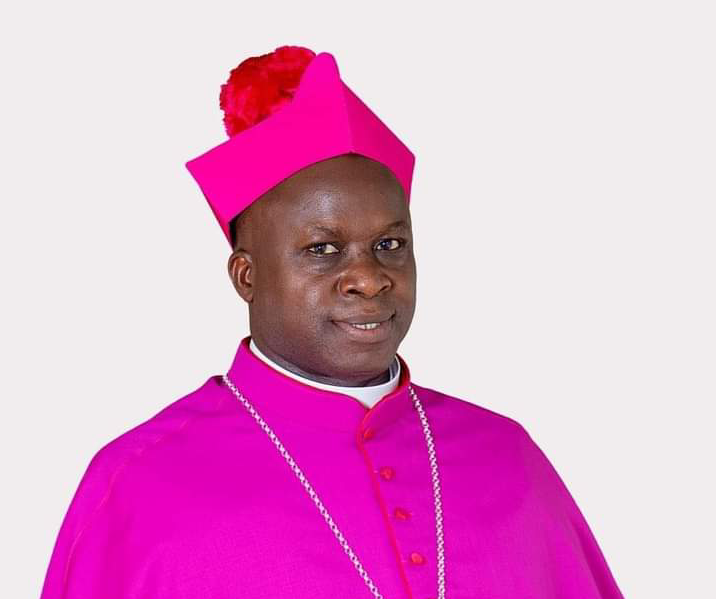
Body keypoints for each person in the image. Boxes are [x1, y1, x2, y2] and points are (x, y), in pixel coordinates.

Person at [39, 45, 625, 599]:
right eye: (323, 250)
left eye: (390, 244)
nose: (369, 278)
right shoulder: (140, 486)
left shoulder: (508, 458)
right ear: (247, 276)